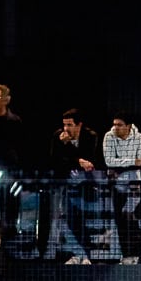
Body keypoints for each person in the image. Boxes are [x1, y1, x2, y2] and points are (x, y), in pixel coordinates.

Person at [52, 108, 100, 264]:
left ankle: (86, 255)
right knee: (71, 220)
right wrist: (78, 160)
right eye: (64, 124)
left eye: (70, 125)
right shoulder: (58, 137)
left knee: (84, 220)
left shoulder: (90, 136)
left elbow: (89, 160)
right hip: (67, 184)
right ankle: (78, 254)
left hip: (86, 184)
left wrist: (69, 149)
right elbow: (57, 161)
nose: (65, 129)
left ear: (79, 125)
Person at [102, 112, 141, 265]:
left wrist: (120, 163)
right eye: (114, 124)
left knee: (131, 218)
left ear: (128, 126)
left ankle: (136, 254)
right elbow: (109, 161)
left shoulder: (139, 137)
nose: (116, 127)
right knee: (120, 220)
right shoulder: (109, 136)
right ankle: (126, 254)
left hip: (135, 184)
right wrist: (132, 161)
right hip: (116, 185)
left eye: (119, 125)